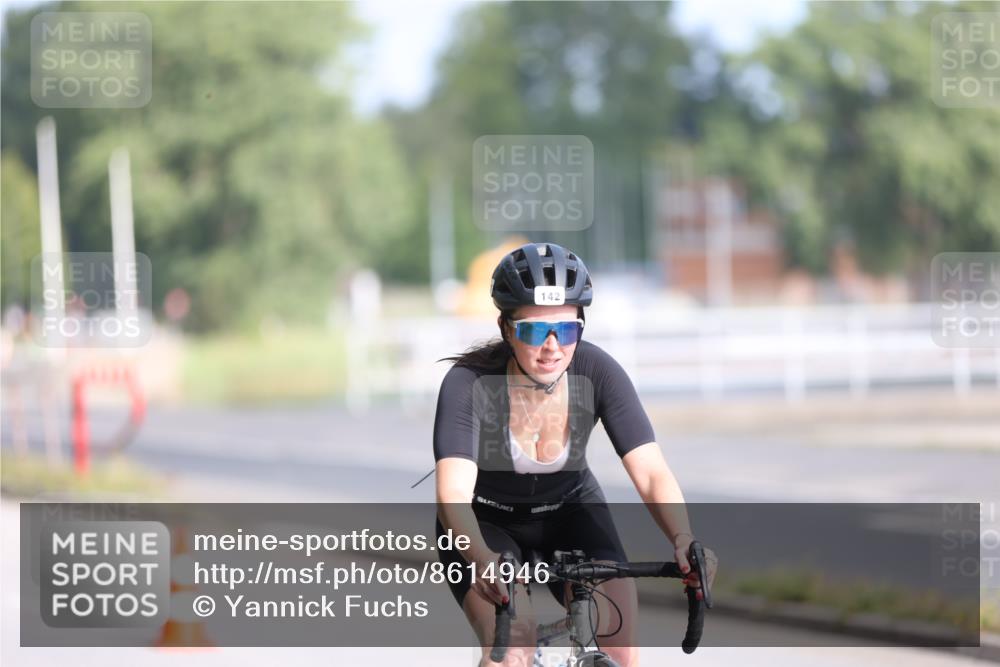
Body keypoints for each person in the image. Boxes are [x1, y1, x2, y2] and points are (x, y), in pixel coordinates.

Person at [433, 242, 716, 667]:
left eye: (566, 331)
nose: (552, 347)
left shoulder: (596, 371)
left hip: (569, 510)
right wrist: (480, 559)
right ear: (507, 328)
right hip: (485, 523)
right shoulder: (469, 384)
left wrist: (683, 537)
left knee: (620, 648)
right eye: (533, 331)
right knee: (514, 645)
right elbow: (452, 494)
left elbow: (651, 472)